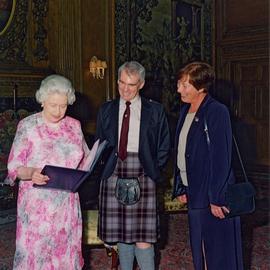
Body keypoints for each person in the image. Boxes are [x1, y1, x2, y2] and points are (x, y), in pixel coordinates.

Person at [5, 74, 93, 270]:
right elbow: (14, 168)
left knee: (64, 256)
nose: (59, 111)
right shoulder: (27, 126)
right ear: (42, 100)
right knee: (36, 256)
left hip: (66, 204)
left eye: (63, 105)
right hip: (37, 205)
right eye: (53, 105)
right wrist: (31, 173)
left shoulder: (74, 126)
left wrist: (89, 166)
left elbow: (84, 159)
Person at [96, 61, 170, 270]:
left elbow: (164, 144)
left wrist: (154, 169)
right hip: (113, 172)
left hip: (143, 173)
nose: (125, 89)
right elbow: (100, 142)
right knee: (121, 234)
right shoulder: (106, 110)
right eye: (121, 83)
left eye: (131, 84)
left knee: (143, 237)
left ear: (142, 84)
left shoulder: (155, 110)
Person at [172, 61, 243, 270]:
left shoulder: (216, 111)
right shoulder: (186, 111)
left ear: (201, 87)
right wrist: (180, 186)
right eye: (179, 84)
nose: (179, 90)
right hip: (194, 190)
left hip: (212, 193)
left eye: (185, 85)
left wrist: (217, 198)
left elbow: (221, 158)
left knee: (217, 252)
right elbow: (182, 150)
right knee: (200, 247)